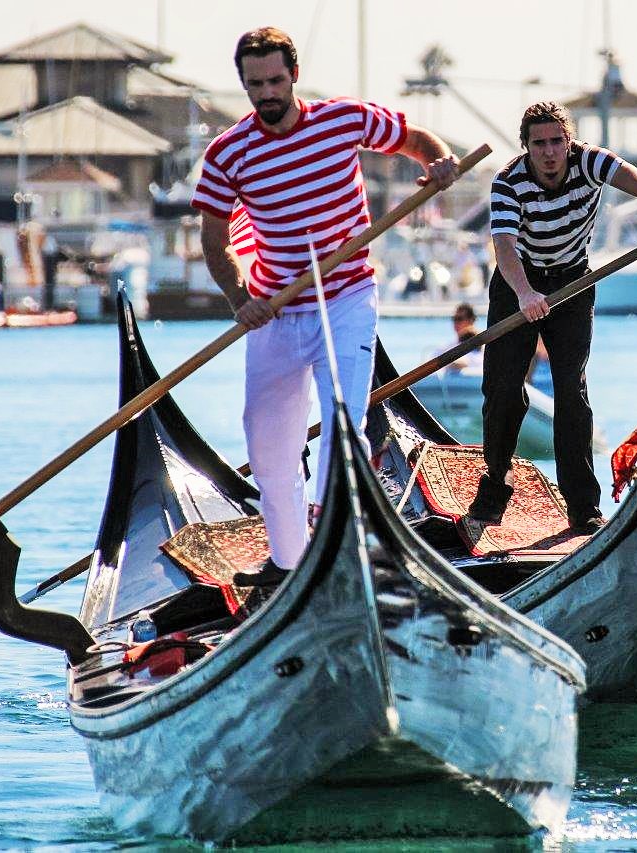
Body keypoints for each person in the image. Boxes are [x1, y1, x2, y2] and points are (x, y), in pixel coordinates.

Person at [192, 26, 458, 590]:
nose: (266, 93)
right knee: (268, 445)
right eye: (254, 84)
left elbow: (417, 140)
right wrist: (243, 301)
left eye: (275, 80)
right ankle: (289, 562)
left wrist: (440, 164)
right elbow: (214, 243)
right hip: (276, 309)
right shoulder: (226, 154)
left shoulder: (343, 119)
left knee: (345, 424)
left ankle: (332, 531)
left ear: (293, 77)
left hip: (346, 298)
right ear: (244, 84)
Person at [466, 101, 637, 533]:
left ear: (569, 143)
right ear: (526, 148)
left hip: (573, 281)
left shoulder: (591, 161)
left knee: (572, 392)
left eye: (557, 142)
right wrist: (525, 294)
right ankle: (495, 487)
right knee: (501, 390)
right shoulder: (508, 183)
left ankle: (583, 507)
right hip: (519, 281)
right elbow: (504, 248)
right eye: (540, 145)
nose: (550, 152)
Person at [441, 302, 483, 374]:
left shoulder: (483, 344)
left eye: (459, 319)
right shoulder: (447, 346)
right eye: (454, 318)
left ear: (471, 320)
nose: (455, 322)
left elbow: (462, 362)